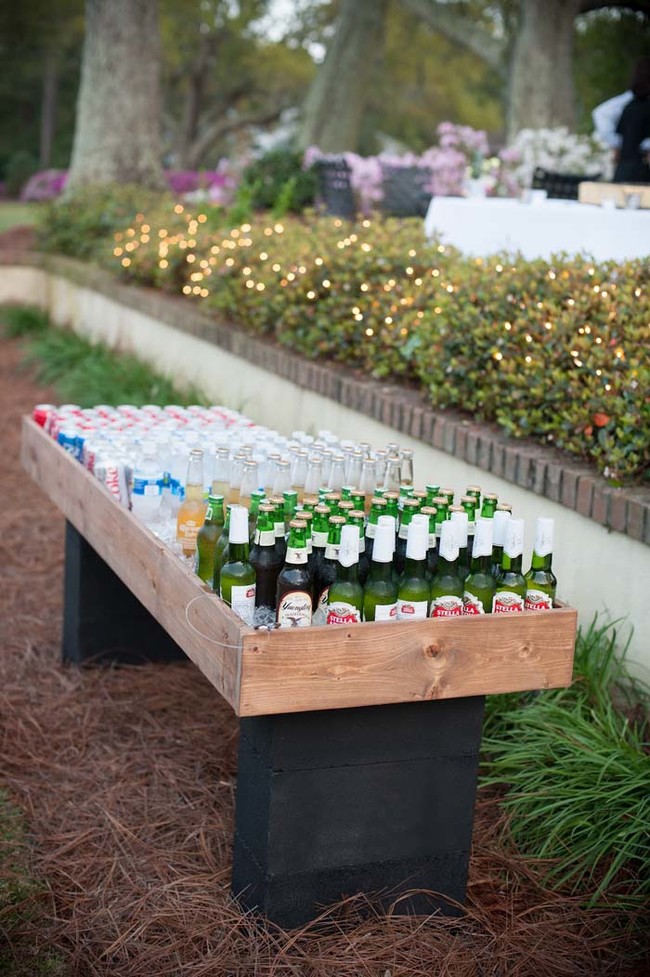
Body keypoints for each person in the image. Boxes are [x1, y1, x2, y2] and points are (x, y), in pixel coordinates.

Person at [592, 58, 650, 183]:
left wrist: (618, 144)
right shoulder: (636, 104)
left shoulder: (629, 105)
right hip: (641, 172)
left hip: (625, 169)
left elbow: (601, 113)